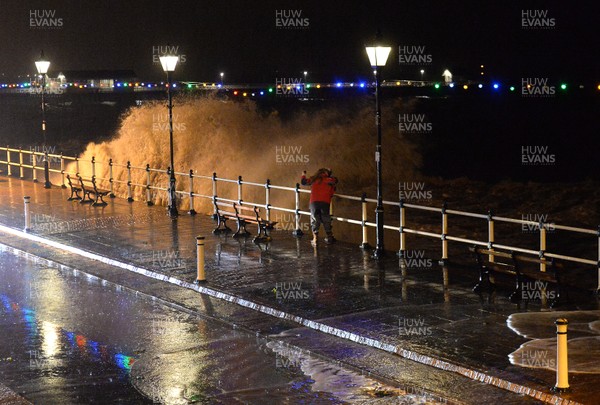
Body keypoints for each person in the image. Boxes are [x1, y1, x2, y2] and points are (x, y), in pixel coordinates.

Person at [301, 168, 338, 246]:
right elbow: (336, 180)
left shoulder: (313, 179)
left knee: (314, 220)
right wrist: (330, 174)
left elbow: (303, 182)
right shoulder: (330, 180)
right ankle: (329, 237)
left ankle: (315, 238)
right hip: (325, 201)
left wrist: (303, 174)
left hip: (314, 202)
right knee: (326, 219)